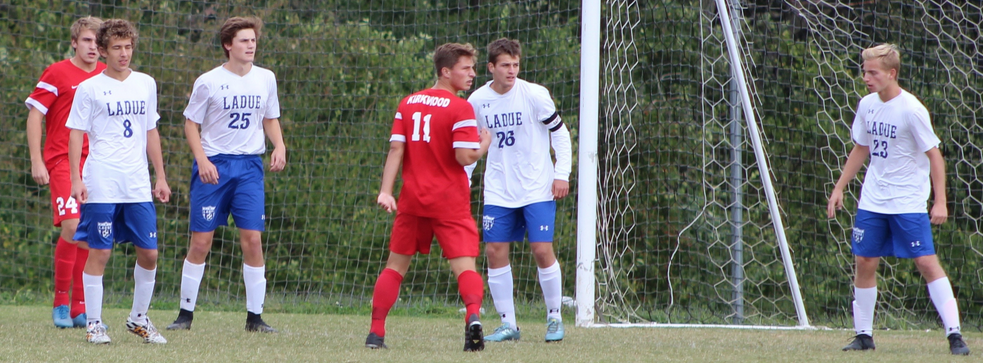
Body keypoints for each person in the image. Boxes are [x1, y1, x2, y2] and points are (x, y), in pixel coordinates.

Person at [828, 43, 969, 356]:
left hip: (907, 202)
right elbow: (861, 148)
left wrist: (940, 201)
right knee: (864, 261)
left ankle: (955, 334)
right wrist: (839, 187)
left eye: (873, 72)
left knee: (926, 262)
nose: (867, 77)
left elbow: (935, 156)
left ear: (891, 74)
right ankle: (863, 335)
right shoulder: (866, 105)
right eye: (864, 71)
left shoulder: (912, 109)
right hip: (873, 200)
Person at [364, 42, 492, 351]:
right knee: (465, 268)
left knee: (395, 266)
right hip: (450, 200)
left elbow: (396, 150)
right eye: (466, 68)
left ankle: (375, 333)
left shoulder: (408, 103)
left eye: (473, 68)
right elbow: (463, 157)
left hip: (412, 199)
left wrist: (385, 191)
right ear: (446, 71)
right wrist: (483, 145)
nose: (472, 74)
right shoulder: (461, 108)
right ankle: (473, 317)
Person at [166, 16, 285, 333]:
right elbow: (191, 123)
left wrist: (279, 145)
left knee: (253, 241)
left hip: (249, 167)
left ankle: (255, 318)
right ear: (228, 45)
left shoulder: (266, 79)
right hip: (214, 166)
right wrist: (202, 159)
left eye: (253, 40)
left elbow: (270, 118)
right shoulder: (209, 81)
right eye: (244, 40)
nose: (251, 45)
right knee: (201, 241)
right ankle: (185, 315)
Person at [66, 18, 170, 345]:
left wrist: (161, 176)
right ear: (102, 50)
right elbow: (76, 134)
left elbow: (150, 131)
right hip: (102, 181)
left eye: (128, 47)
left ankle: (138, 318)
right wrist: (75, 179)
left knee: (150, 253)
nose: (124, 54)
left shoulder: (145, 83)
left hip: (137, 182)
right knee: (101, 251)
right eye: (117, 48)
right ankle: (95, 324)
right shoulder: (90, 88)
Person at [465, 38, 572, 343]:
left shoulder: (535, 94)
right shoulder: (477, 101)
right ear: (491, 68)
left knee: (541, 249)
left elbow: (560, 135)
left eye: (515, 65)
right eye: (505, 65)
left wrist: (561, 174)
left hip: (537, 186)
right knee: (494, 251)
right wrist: (465, 178)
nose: (511, 71)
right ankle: (508, 324)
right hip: (499, 189)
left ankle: (554, 317)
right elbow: (473, 144)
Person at [25, 16, 106, 329]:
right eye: (86, 40)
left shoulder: (106, 75)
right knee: (73, 227)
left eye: (97, 42)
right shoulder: (57, 72)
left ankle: (79, 308)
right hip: (61, 161)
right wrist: (37, 160)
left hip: (96, 163)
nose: (92, 47)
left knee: (89, 235)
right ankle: (61, 301)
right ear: (75, 42)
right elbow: (35, 116)